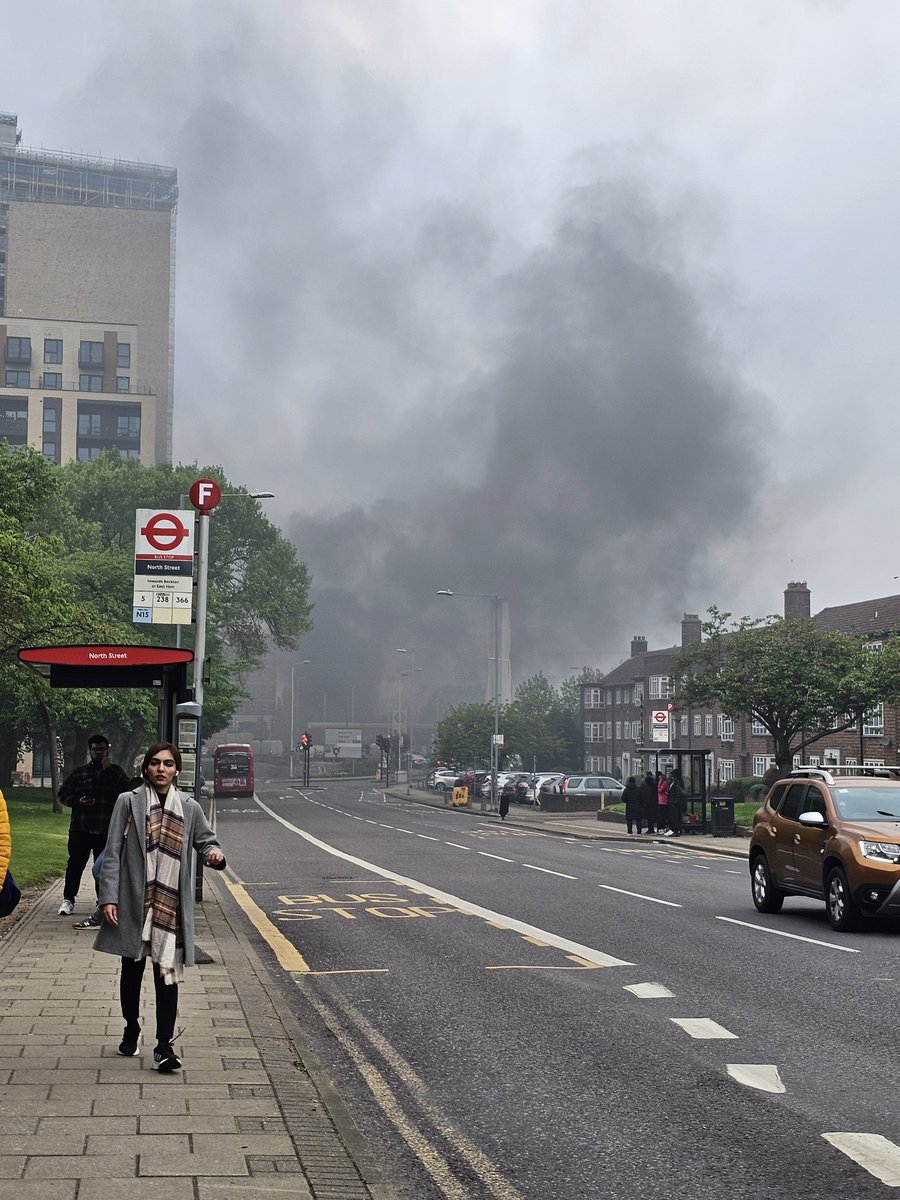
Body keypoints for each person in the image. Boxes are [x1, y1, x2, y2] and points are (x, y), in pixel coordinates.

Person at [94, 742, 226, 1072]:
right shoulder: (128, 802)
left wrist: (214, 855)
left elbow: (206, 841)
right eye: (155, 763)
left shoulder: (190, 807)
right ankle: (131, 1027)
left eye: (168, 764)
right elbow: (111, 854)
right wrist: (108, 897)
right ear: (147, 769)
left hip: (170, 907)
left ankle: (164, 1046)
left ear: (176, 770)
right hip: (135, 901)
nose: (161, 769)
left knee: (168, 978)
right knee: (131, 972)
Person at [57, 734, 131, 919]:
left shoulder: (116, 771)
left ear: (107, 750)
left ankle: (103, 902)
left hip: (106, 827)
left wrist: (109, 771)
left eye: (102, 749)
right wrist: (78, 801)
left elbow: (128, 792)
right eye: (95, 749)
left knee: (104, 867)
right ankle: (68, 899)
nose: (98, 752)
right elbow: (63, 794)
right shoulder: (80, 773)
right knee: (75, 864)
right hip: (81, 827)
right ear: (90, 751)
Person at [666, 769, 686, 837]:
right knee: (672, 818)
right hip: (671, 803)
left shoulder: (678, 783)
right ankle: (674, 830)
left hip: (676, 804)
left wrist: (674, 802)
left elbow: (678, 793)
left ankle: (676, 831)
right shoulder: (672, 783)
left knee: (676, 818)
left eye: (671, 774)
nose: (670, 776)